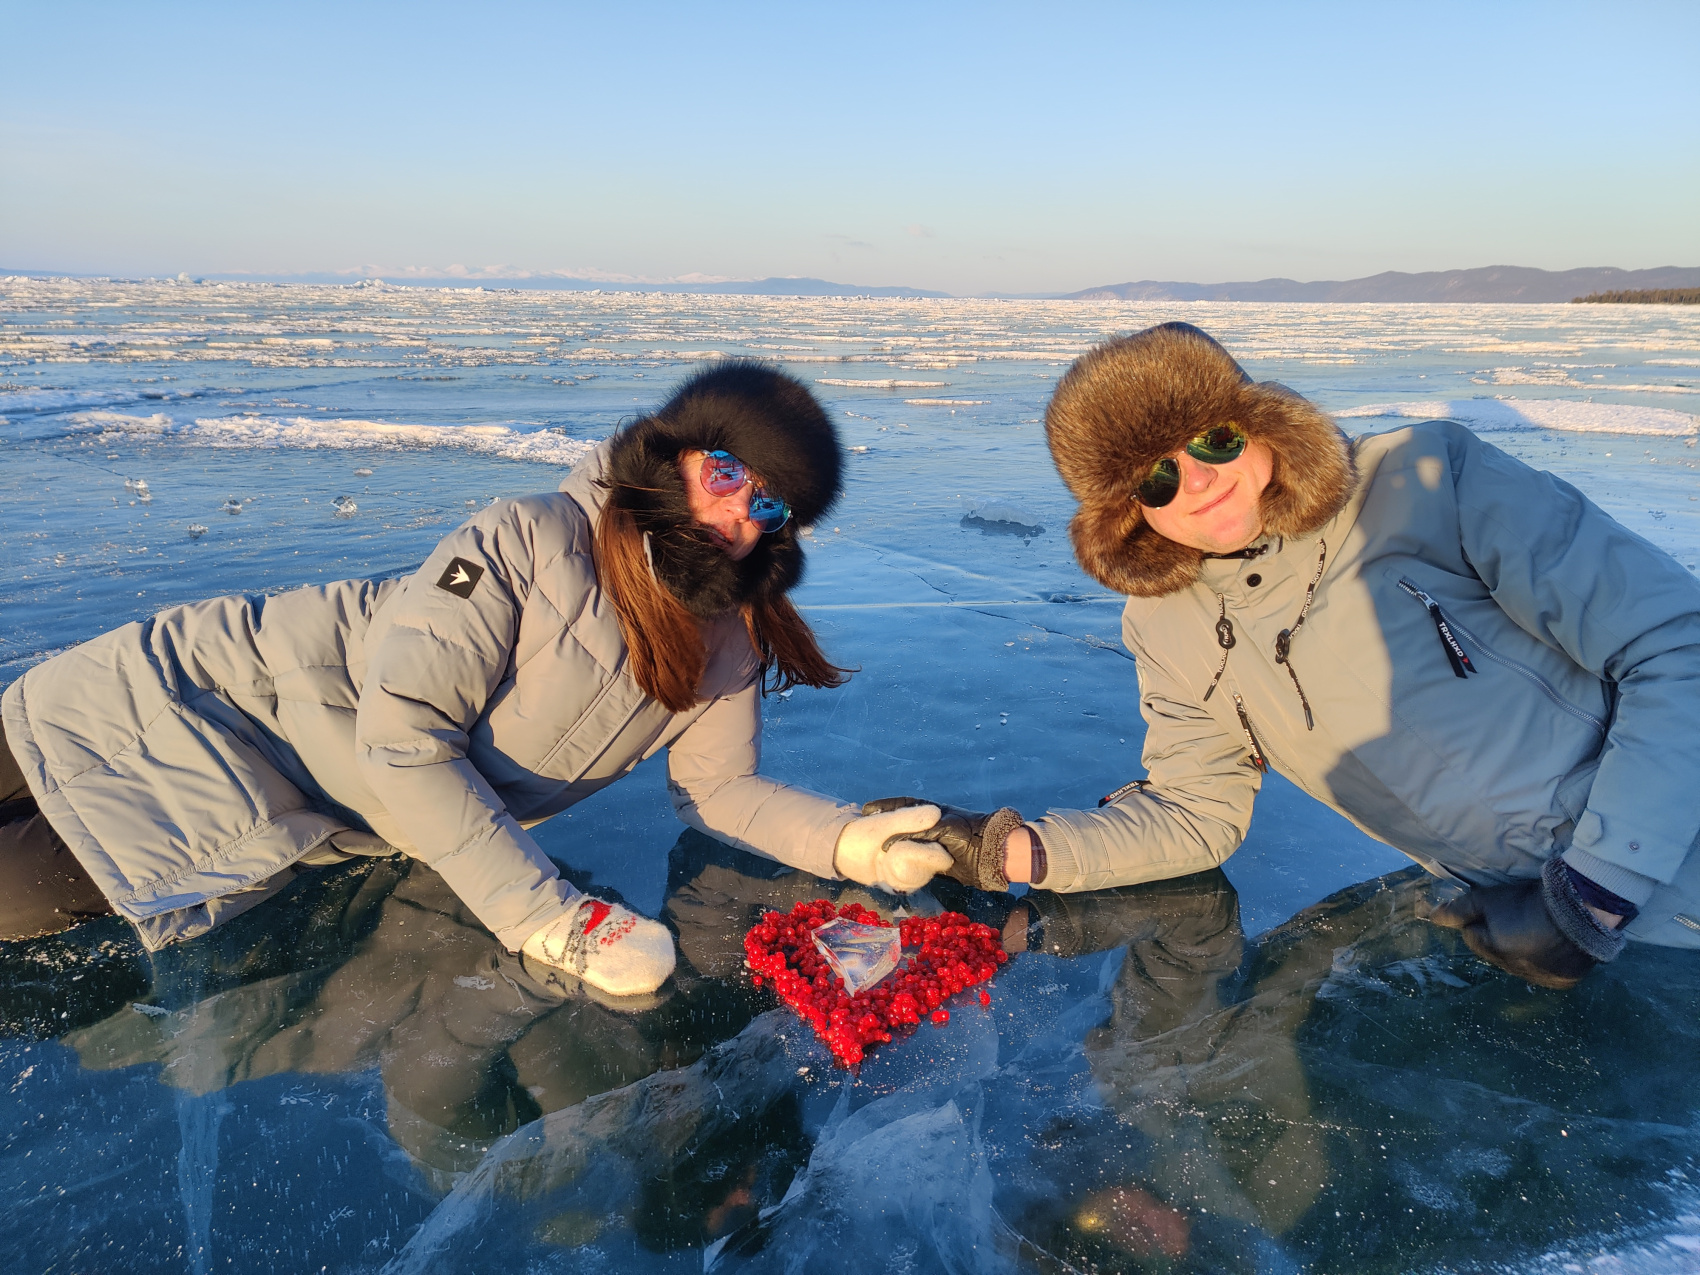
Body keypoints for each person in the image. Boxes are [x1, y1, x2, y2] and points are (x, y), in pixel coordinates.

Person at [0, 362, 950, 996]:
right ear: (676, 452)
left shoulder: (725, 644)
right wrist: (552, 920)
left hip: (265, 790)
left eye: (768, 501)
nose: (736, 508)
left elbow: (720, 788)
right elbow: (403, 738)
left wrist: (849, 846)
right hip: (191, 693)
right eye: (727, 469)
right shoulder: (530, 539)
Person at [869, 322, 1700, 988]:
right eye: (1157, 477)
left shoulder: (1426, 481)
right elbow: (1196, 811)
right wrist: (1011, 850)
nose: (1196, 479)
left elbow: (1675, 644)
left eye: (1215, 439)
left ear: (1261, 426)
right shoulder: (1167, 624)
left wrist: (1592, 894)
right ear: (1129, 513)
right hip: (1549, 931)